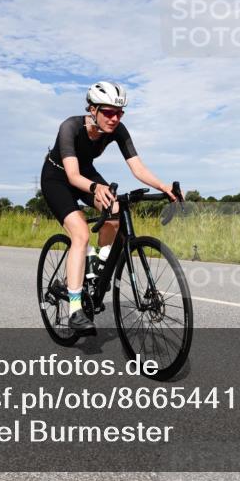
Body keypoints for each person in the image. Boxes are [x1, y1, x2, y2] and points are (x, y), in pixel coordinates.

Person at [41, 81, 177, 332]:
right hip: (58, 177)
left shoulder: (118, 129)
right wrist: (95, 188)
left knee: (115, 210)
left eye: (119, 113)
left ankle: (97, 264)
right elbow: (72, 176)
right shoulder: (70, 127)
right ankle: (75, 309)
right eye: (108, 113)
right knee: (81, 234)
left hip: (86, 173)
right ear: (92, 109)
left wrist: (163, 186)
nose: (114, 118)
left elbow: (137, 168)